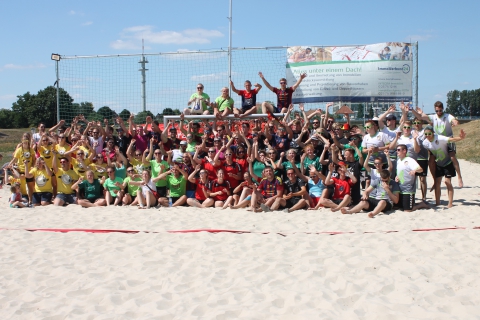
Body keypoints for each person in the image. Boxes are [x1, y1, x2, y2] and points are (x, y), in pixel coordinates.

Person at [414, 101, 463, 188]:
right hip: (437, 141)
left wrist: (455, 123)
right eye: (437, 111)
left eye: (440, 110)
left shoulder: (447, 116)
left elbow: (454, 120)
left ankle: (459, 176)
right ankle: (435, 181)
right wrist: (412, 110)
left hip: (447, 139)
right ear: (435, 110)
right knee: (431, 162)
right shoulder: (433, 117)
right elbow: (421, 117)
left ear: (442, 109)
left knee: (452, 157)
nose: (439, 112)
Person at [422, 125, 466, 208]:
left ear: (433, 133)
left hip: (448, 162)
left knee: (447, 182)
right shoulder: (425, 143)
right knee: (437, 182)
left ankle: (450, 202)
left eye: (429, 133)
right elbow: (430, 152)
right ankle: (437, 202)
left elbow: (451, 139)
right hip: (439, 163)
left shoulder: (439, 138)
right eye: (426, 134)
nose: (427, 135)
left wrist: (461, 138)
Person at [394, 144, 429, 212]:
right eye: (396, 150)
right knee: (398, 207)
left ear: (404, 151)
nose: (397, 151)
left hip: (408, 189)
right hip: (400, 189)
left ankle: (421, 204)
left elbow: (420, 169)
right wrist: (396, 177)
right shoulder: (398, 161)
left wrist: (414, 170)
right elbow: (400, 173)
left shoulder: (410, 160)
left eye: (398, 150)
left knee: (408, 210)